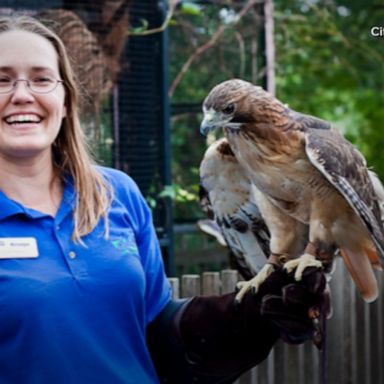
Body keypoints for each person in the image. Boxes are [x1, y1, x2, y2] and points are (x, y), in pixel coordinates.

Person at [0, 15, 328, 384]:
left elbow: (157, 330)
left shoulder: (116, 193)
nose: (23, 94)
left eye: (42, 79)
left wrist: (244, 317)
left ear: (65, 100)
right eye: (2, 79)